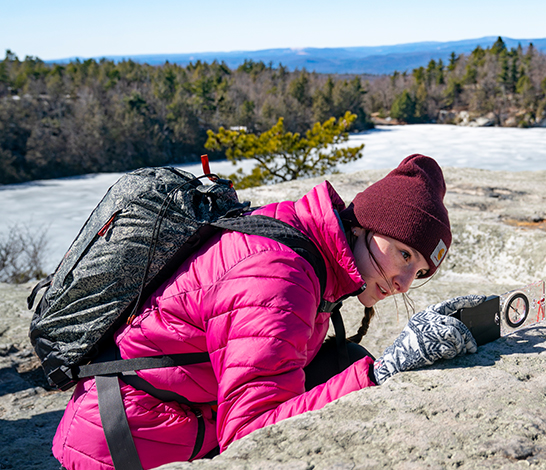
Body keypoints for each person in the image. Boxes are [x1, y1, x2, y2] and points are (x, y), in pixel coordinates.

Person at [52, 154, 483, 470]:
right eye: (404, 254)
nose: (404, 282)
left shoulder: (303, 242)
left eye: (420, 271)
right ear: (363, 226)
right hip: (125, 446)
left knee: (342, 363)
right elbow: (252, 437)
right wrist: (383, 373)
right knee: (359, 373)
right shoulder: (282, 279)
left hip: (168, 419)